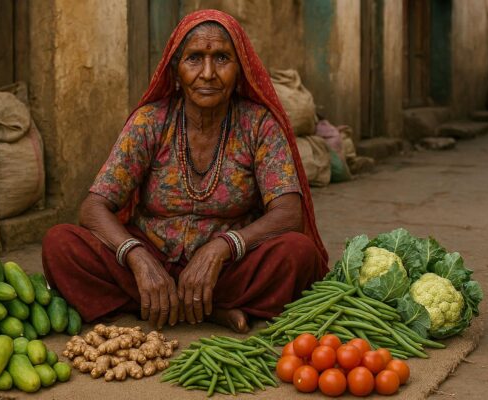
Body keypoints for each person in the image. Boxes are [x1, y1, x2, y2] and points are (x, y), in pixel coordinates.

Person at [42, 9, 328, 333]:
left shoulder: (258, 125)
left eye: (221, 58)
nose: (208, 73)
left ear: (240, 71)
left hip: (228, 268)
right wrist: (137, 257)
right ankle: (204, 308)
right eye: (194, 58)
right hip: (151, 256)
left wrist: (223, 246)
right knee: (60, 243)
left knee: (297, 255)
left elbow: (289, 214)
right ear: (176, 71)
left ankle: (161, 306)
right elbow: (93, 208)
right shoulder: (151, 121)